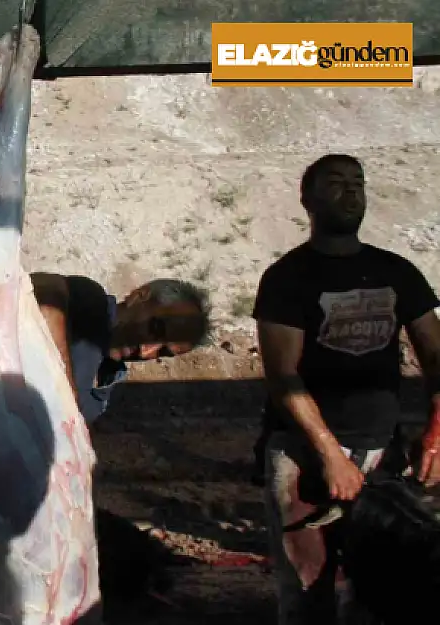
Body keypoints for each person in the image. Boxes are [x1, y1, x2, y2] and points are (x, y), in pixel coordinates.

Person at [253, 153, 440, 625]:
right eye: (336, 183)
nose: (351, 191)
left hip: (383, 456)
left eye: (357, 182)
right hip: (302, 456)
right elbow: (282, 376)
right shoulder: (286, 279)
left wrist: (436, 431)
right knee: (306, 592)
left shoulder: (396, 272)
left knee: (387, 589)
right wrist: (330, 453)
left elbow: (438, 357)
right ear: (307, 199)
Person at [29, 273, 211, 423]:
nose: (145, 352)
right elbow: (44, 287)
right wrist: (66, 392)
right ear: (139, 296)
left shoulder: (104, 388)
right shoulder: (91, 302)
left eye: (163, 352)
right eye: (155, 329)